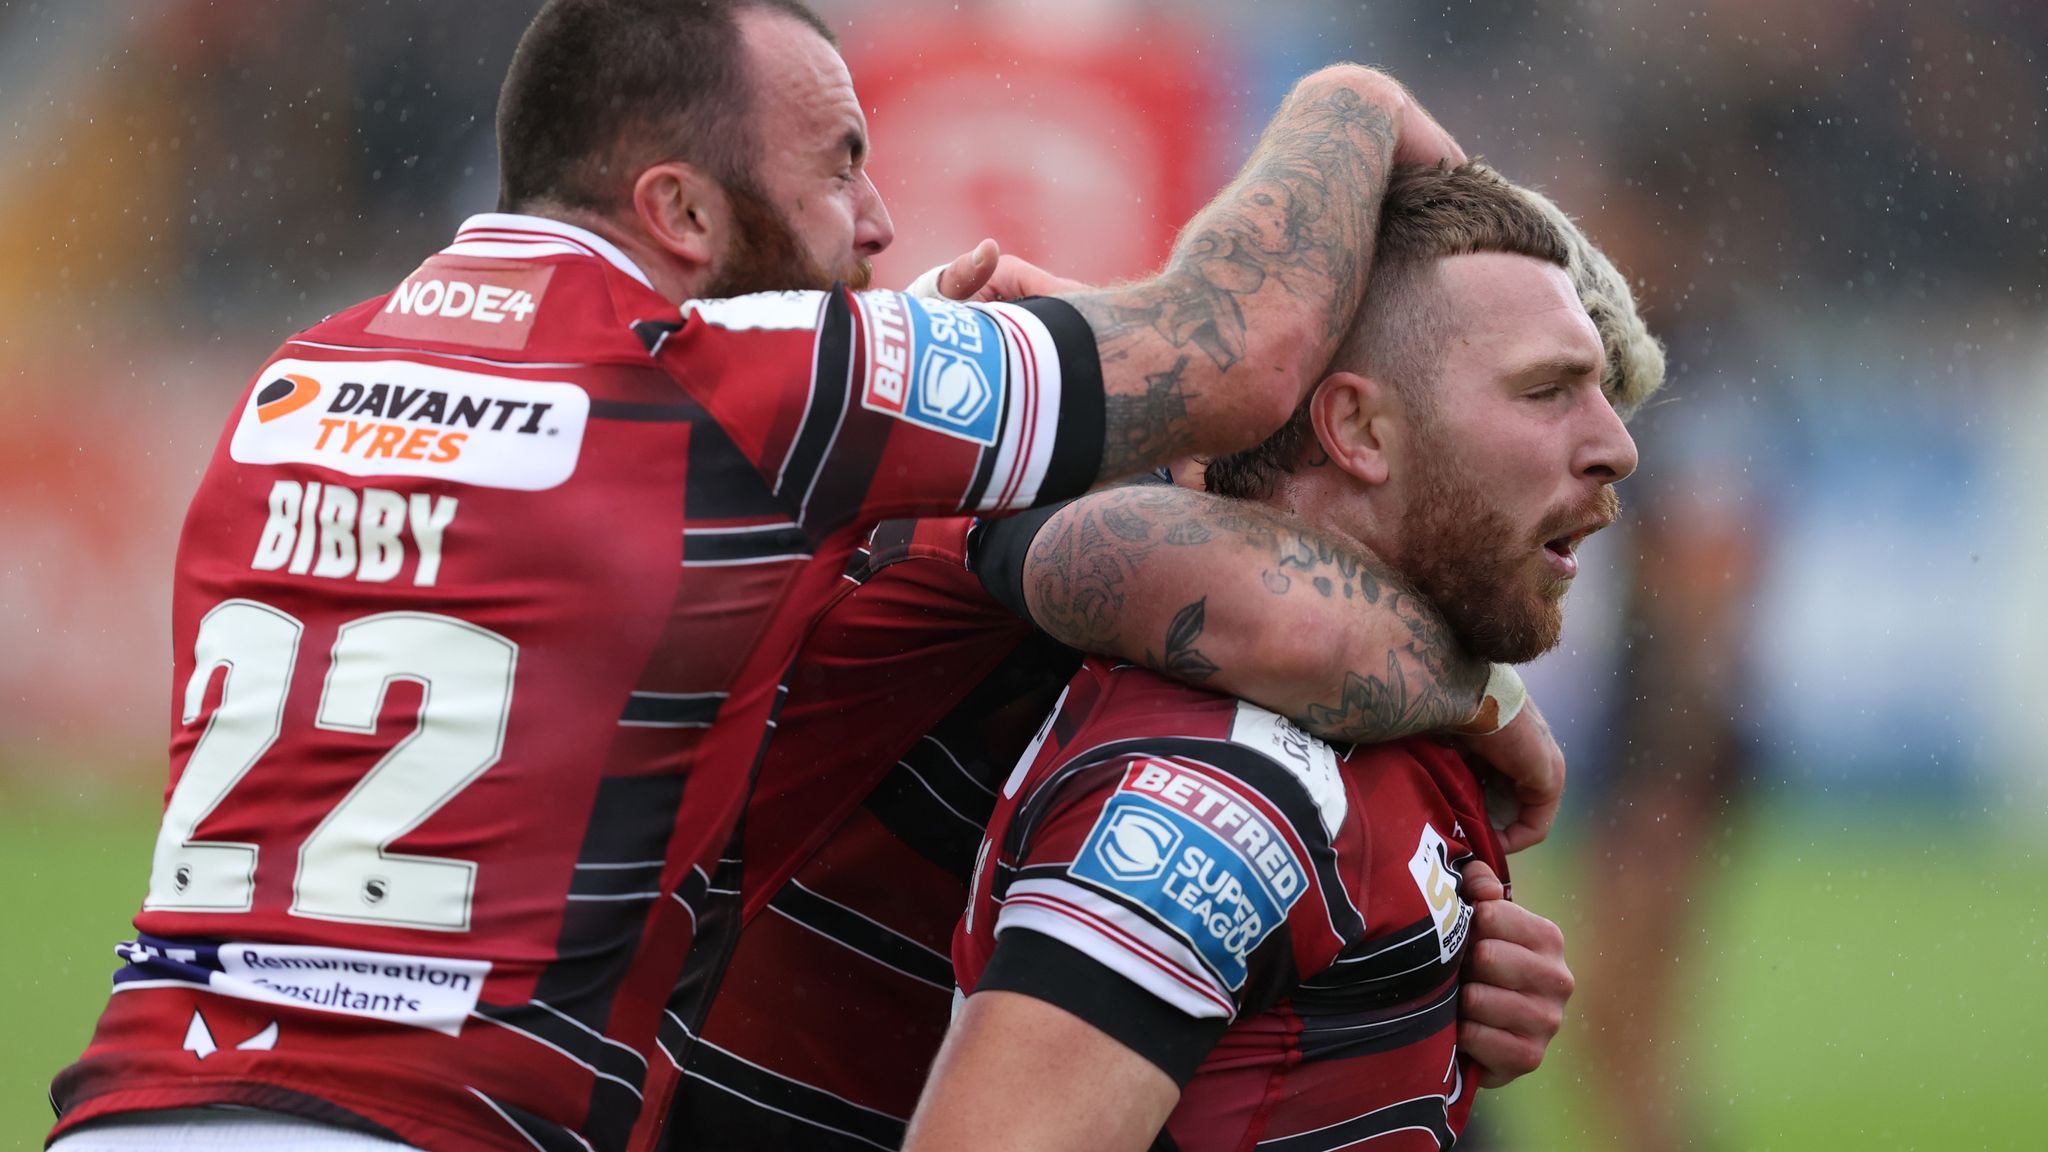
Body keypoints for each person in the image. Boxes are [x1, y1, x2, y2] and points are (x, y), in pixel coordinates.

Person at [44, 1, 1444, 1149]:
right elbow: (1235, 354)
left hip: (132, 1109)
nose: (882, 225)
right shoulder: (733, 382)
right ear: (682, 215)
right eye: (839, 169)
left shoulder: (295, 383)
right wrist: (1358, 108)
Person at [663, 171, 1668, 1147]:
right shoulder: (1212, 751)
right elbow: (1286, 628)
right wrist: (1492, 709)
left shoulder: (1363, 703)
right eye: (1545, 391)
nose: (1611, 448)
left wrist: (1432, 989)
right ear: (1358, 422)